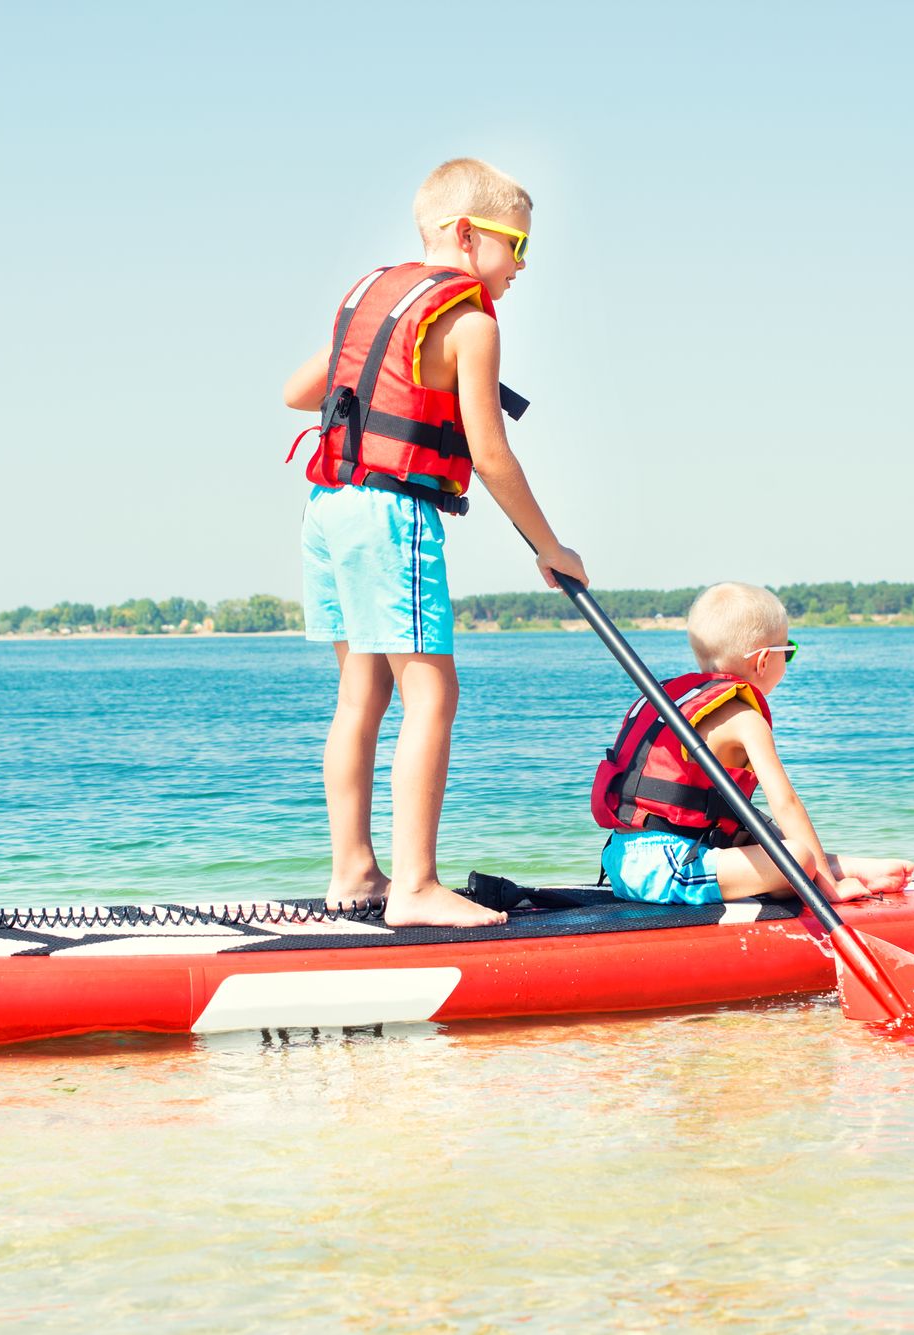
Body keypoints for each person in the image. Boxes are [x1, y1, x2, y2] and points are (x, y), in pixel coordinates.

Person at [282, 158, 587, 927]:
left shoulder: (369, 297)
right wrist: (549, 546)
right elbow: (489, 454)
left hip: (330, 506)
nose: (521, 264)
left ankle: (354, 870)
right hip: (390, 514)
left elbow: (298, 393)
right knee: (433, 694)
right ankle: (415, 886)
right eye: (518, 244)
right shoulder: (473, 322)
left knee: (361, 696)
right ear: (467, 234)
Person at [591, 582, 914, 905]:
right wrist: (830, 890)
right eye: (788, 651)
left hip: (621, 858)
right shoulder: (746, 719)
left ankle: (844, 865)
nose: (789, 659)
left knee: (766, 833)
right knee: (797, 857)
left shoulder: (671, 698)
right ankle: (827, 874)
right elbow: (786, 803)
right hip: (668, 867)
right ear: (762, 661)